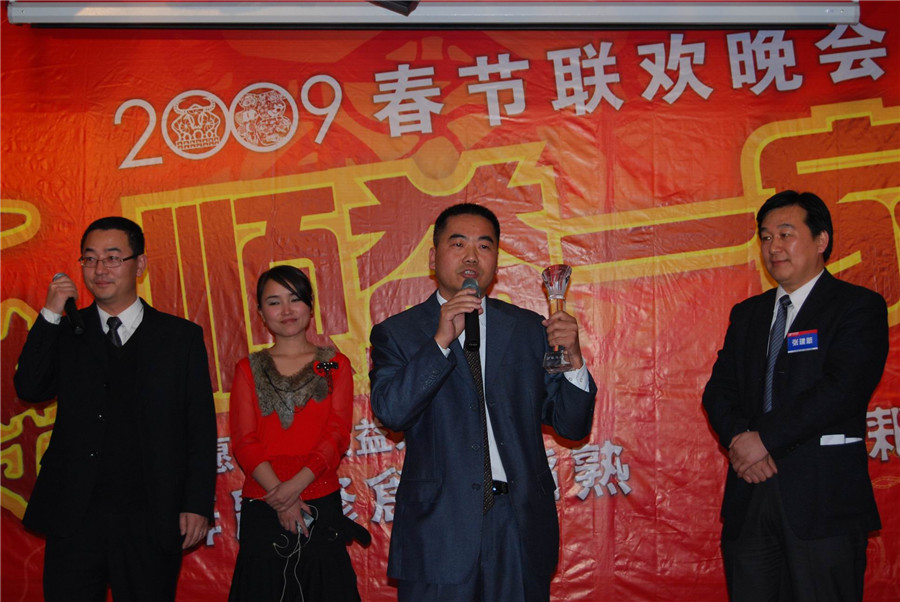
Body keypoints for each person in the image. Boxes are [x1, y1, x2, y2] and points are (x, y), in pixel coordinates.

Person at [369, 203, 597, 601]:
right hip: (440, 529)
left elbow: (571, 425)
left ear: (496, 260)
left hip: (518, 524)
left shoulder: (527, 328)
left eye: (484, 246)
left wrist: (574, 360)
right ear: (433, 257)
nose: (472, 257)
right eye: (458, 244)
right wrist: (440, 341)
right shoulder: (398, 333)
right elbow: (391, 412)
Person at [14, 216, 217, 601]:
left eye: (112, 258)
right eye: (89, 259)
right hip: (75, 512)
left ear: (139, 265)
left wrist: (196, 504)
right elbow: (30, 387)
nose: (99, 270)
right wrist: (51, 313)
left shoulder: (179, 338)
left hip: (151, 513)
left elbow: (200, 427)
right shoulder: (66, 331)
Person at [702, 191, 888, 602]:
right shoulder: (748, 314)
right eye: (766, 237)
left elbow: (842, 389)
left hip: (822, 500)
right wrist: (740, 440)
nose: (774, 247)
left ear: (821, 240)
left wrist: (763, 439)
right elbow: (719, 390)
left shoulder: (857, 307)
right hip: (751, 495)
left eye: (786, 234)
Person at [228, 265, 364, 602]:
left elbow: (337, 434)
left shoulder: (332, 364)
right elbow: (244, 441)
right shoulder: (248, 368)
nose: (286, 310)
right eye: (274, 302)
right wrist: (279, 493)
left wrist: (293, 488)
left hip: (319, 494)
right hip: (263, 500)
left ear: (310, 305)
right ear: (261, 313)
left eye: (295, 299)